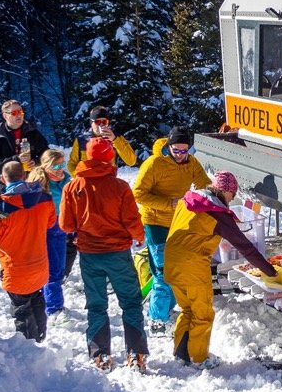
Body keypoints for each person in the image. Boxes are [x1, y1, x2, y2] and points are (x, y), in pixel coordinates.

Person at [162, 170, 276, 368]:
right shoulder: (216, 213)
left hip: (171, 261)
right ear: (226, 191)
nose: (232, 199)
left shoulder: (190, 199)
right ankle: (198, 358)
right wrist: (270, 271)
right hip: (192, 267)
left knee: (188, 310)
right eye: (233, 194)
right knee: (202, 314)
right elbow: (245, 247)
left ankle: (182, 353)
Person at [59, 137, 149, 372]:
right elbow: (132, 219)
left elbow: (66, 225)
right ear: (110, 157)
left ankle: (101, 355)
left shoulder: (72, 187)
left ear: (88, 156)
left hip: (89, 254)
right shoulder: (119, 186)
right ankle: (136, 354)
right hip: (118, 253)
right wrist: (140, 236)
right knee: (131, 302)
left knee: (96, 304)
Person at [132, 126, 211, 332]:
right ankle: (156, 320)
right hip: (155, 222)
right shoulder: (154, 163)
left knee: (177, 271)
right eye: (176, 150)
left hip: (178, 222)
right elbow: (138, 194)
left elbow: (204, 184)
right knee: (164, 272)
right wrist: (169, 204)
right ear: (169, 146)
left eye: (184, 151)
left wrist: (213, 195)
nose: (180, 155)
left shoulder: (191, 163)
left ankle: (164, 310)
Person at [0, 160, 57, 343]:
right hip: (40, 265)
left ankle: (29, 346)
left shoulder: (0, 209)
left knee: (21, 309)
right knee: (36, 299)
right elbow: (50, 223)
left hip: (15, 269)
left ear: (2, 179)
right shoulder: (44, 198)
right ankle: (40, 336)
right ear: (24, 176)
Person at [27, 148, 71, 317]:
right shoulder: (37, 183)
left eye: (62, 165)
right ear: (45, 166)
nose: (60, 169)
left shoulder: (66, 180)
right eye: (55, 166)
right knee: (52, 270)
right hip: (42, 229)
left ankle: (46, 302)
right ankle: (54, 308)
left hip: (60, 229)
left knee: (57, 268)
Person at [0, 99, 49, 183]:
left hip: (31, 180)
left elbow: (46, 155)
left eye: (21, 112)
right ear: (5, 116)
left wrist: (35, 162)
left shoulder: (32, 132)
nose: (19, 115)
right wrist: (16, 159)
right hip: (7, 183)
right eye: (14, 113)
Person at [67, 105, 138, 175]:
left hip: (108, 180)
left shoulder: (116, 138)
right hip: (88, 180)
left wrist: (115, 140)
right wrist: (79, 177)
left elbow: (131, 161)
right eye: (97, 122)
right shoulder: (81, 140)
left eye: (104, 122)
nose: (101, 125)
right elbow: (72, 164)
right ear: (91, 123)